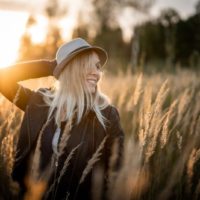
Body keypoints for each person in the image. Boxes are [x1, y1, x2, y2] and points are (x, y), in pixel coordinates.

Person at [0, 38, 124, 200]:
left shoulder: (107, 115)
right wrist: (53, 66)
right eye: (89, 64)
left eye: (98, 66)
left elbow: (116, 172)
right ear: (71, 68)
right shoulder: (39, 103)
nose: (97, 72)